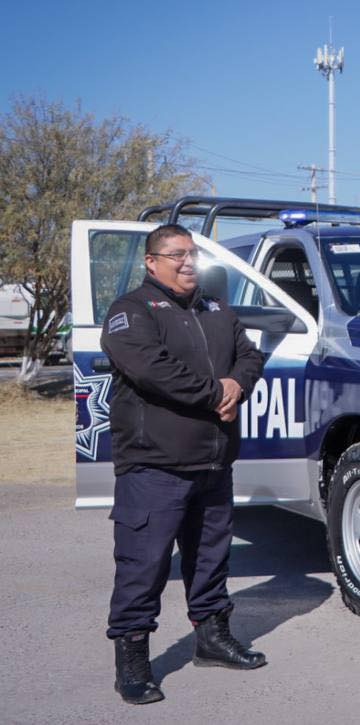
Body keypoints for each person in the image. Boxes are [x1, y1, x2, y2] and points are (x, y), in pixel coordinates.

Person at [101, 224, 266, 705]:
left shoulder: (215, 308)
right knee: (143, 564)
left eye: (192, 254)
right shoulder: (131, 311)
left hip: (214, 462)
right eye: (177, 255)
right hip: (155, 465)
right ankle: (132, 660)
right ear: (151, 261)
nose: (188, 262)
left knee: (211, 558)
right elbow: (152, 370)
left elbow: (250, 355)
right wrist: (217, 394)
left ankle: (213, 639)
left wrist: (237, 384)